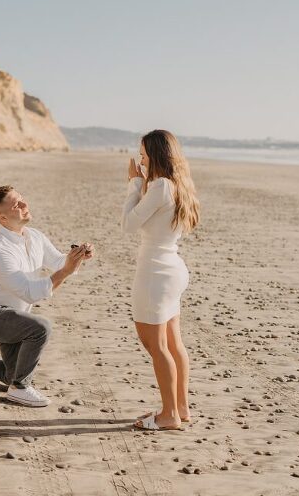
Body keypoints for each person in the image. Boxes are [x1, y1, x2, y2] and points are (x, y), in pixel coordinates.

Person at [0, 185, 94, 407]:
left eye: (22, 199)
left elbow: (57, 261)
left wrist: (77, 256)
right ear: (2, 217)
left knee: (11, 374)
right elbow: (28, 292)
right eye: (17, 205)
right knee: (41, 328)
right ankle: (20, 389)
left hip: (14, 315)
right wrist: (65, 271)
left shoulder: (34, 236)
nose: (25, 205)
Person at [121, 129, 200, 430]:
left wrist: (134, 183)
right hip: (172, 269)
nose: (140, 161)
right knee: (172, 342)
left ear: (156, 155)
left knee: (155, 344)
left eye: (143, 155)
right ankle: (180, 407)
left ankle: (169, 415)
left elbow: (129, 223)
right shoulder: (179, 185)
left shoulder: (159, 187)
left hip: (155, 271)